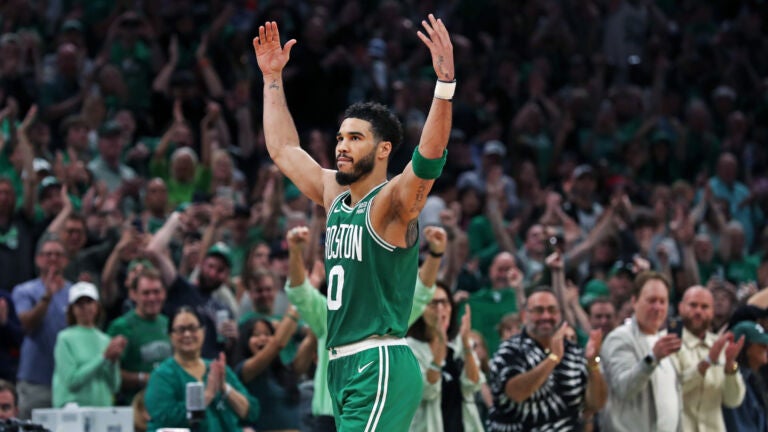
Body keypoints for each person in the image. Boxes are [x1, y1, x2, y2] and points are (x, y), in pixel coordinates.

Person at [253, 13, 454, 430]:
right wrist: (272, 79)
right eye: (341, 137)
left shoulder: (392, 202)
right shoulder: (333, 193)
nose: (342, 146)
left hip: (378, 360)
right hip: (342, 365)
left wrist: (444, 87)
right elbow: (283, 148)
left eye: (355, 138)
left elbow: (428, 158)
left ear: (383, 150)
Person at [284, 224, 448, 431]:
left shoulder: (388, 317)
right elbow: (300, 292)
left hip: (367, 411)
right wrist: (295, 251)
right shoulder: (329, 315)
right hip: (329, 420)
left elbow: (421, 292)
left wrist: (435, 254)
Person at [487, 288, 607, 431]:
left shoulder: (574, 351)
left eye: (552, 310)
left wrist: (593, 363)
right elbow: (516, 393)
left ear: (560, 315)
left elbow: (596, 405)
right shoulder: (509, 350)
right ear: (524, 316)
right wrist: (552, 359)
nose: (546, 316)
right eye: (539, 310)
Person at [144, 306, 259, 431]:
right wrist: (207, 395)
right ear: (171, 335)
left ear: (203, 332)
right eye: (181, 330)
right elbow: (165, 419)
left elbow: (250, 412)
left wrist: (224, 388)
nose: (187, 334)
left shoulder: (217, 368)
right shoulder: (162, 375)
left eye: (193, 328)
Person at [600, 271, 683, 432]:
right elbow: (625, 388)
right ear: (634, 301)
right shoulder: (620, 338)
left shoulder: (665, 340)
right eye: (651, 300)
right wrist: (653, 358)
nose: (657, 307)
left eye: (662, 301)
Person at [407, 281, 485, 432]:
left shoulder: (459, 343)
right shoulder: (410, 348)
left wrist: (467, 346)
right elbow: (426, 391)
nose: (440, 310)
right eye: (434, 304)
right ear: (420, 309)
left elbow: (474, 383)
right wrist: (439, 345)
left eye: (445, 303)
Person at [11, 237, 72, 418]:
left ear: (66, 261)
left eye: (58, 254)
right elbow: (26, 325)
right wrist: (47, 297)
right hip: (35, 381)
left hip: (68, 383)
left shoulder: (75, 292)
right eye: (47, 254)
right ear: (38, 260)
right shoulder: (24, 291)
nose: (53, 258)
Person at [672, 286, 745, 432]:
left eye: (705, 307)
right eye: (693, 305)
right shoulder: (668, 342)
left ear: (712, 312)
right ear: (680, 307)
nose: (698, 311)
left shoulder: (721, 345)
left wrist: (731, 367)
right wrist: (708, 361)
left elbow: (733, 400)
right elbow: (673, 389)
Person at [237, 307, 316, 432]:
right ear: (244, 341)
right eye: (256, 335)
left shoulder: (283, 372)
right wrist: (297, 300)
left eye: (267, 334)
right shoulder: (244, 370)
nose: (263, 338)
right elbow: (277, 344)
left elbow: (311, 340)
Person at [52, 281, 124, 407]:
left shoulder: (105, 339)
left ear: (97, 306)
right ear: (72, 309)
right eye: (79, 304)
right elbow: (71, 381)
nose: (85, 307)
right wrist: (103, 358)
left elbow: (115, 385)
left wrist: (112, 363)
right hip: (73, 411)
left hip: (102, 409)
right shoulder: (64, 338)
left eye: (89, 302)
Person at [106, 267, 172, 405]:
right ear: (134, 294)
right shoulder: (121, 326)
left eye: (156, 292)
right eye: (146, 293)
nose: (152, 298)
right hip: (135, 407)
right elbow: (110, 373)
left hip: (166, 402)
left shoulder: (168, 323)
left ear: (164, 293)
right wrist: (143, 378)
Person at [722, 321, 768, 432]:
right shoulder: (736, 382)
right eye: (762, 345)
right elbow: (739, 425)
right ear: (745, 348)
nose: (766, 349)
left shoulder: (755, 379)